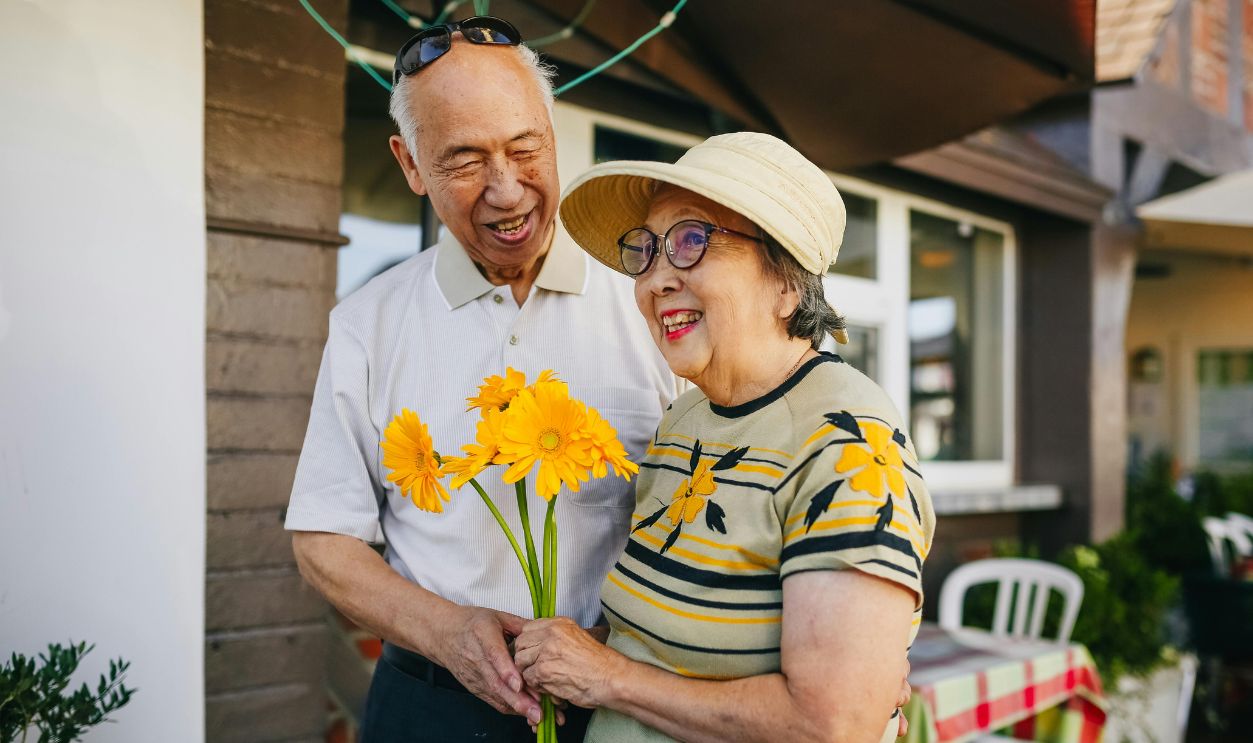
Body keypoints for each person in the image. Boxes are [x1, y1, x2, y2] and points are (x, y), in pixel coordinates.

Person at [284, 18, 678, 742]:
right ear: (410, 164)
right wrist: (448, 631)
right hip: (430, 705)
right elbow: (323, 539)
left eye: (525, 149)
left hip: (630, 707)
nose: (506, 192)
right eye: (464, 161)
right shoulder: (366, 322)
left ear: (551, 132)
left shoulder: (649, 298)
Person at [512, 131, 936, 743]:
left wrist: (608, 679)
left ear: (787, 283)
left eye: (691, 241)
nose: (655, 279)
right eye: (646, 250)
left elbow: (831, 725)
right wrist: (572, 653)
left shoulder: (847, 445)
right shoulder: (685, 422)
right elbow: (675, 641)